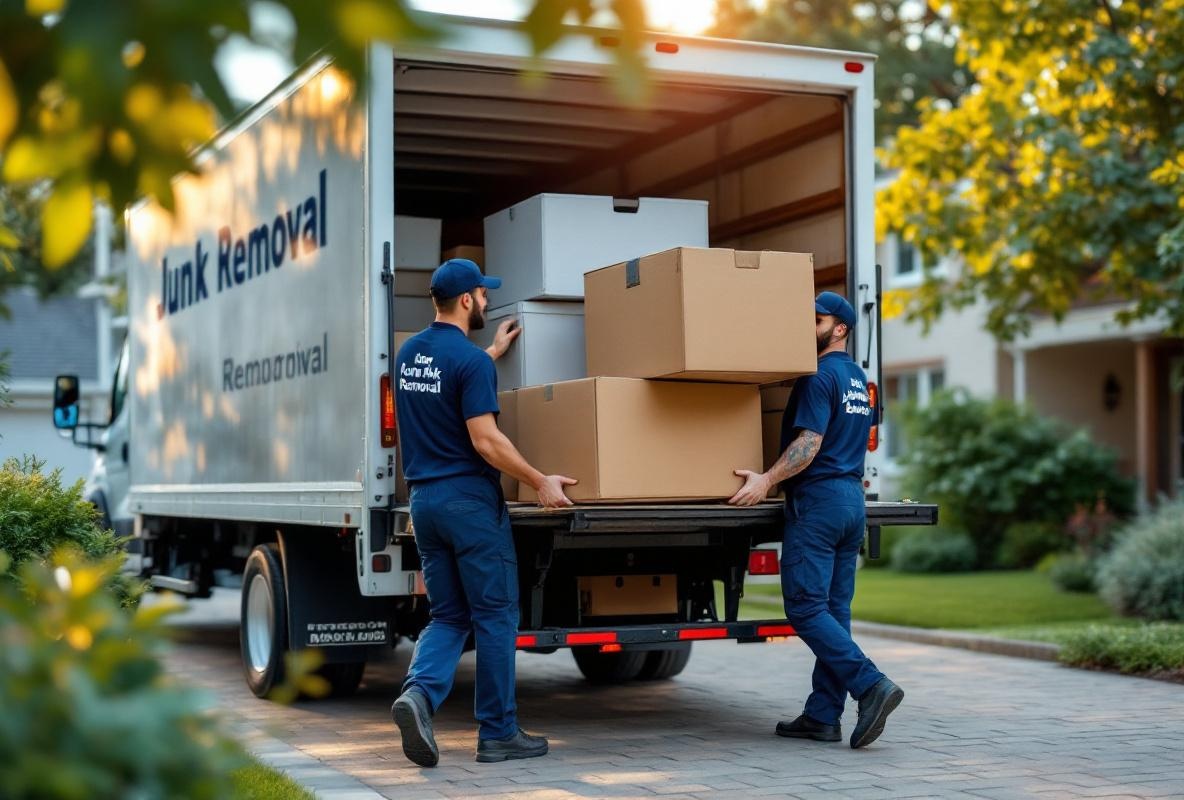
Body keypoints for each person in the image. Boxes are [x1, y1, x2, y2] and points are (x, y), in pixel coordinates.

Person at [390, 258, 577, 768]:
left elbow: (446, 381)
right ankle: (498, 733)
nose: (488, 301)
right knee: (496, 615)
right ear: (468, 300)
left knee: (449, 614)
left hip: (425, 503)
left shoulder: (410, 354)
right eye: (483, 294)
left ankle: (420, 696)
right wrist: (539, 480)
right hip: (469, 503)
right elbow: (485, 440)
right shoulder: (470, 364)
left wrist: (491, 353)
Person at [729, 290, 903, 750]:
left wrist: (766, 479)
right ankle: (823, 717)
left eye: (818, 319)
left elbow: (808, 445)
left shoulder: (818, 376)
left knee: (805, 609)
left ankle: (870, 685)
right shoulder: (856, 379)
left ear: (840, 328)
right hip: (850, 501)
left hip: (820, 501)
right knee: (834, 612)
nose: (810, 325)